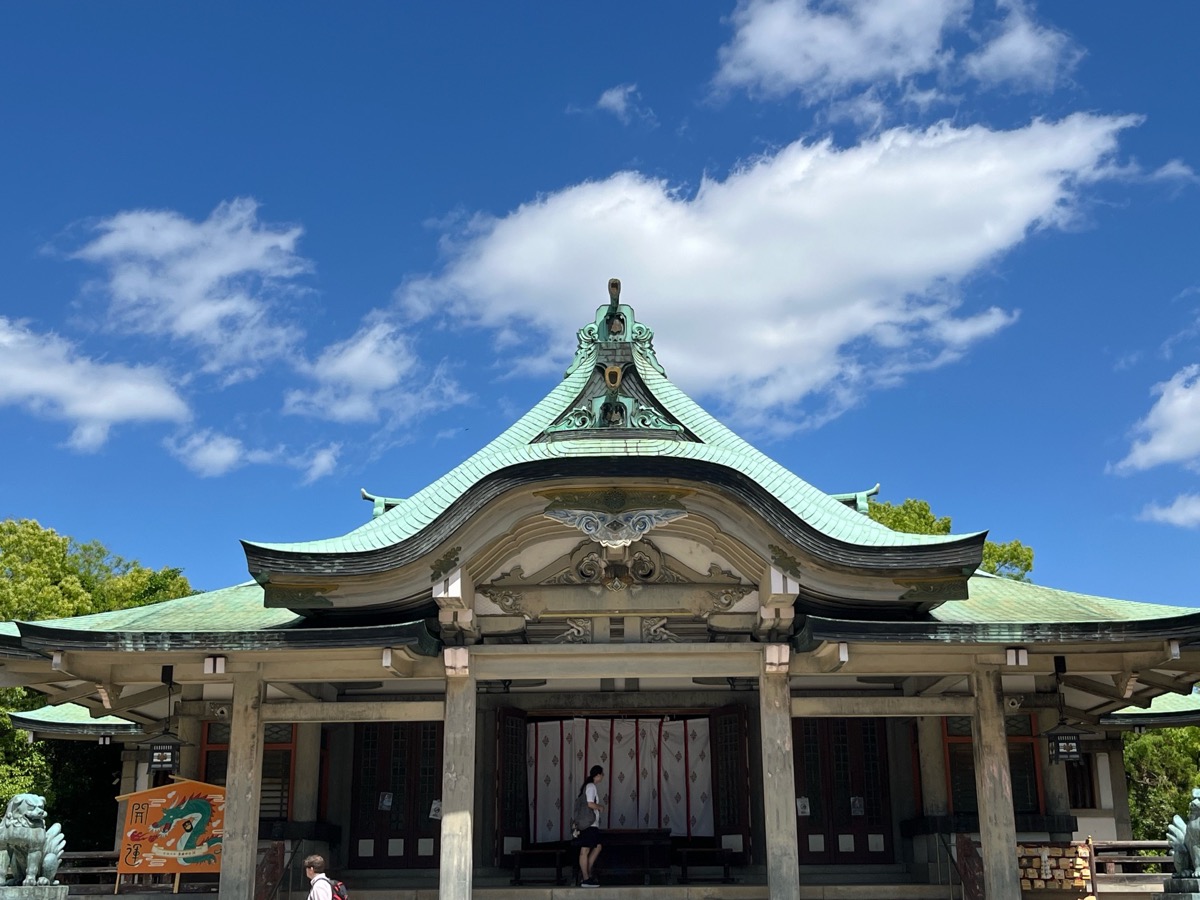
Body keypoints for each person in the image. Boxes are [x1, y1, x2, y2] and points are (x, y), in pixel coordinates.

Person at [577, 765, 605, 887]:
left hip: (590, 824)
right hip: (590, 823)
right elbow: (590, 803)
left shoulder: (588, 786)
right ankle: (586, 878)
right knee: (585, 850)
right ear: (597, 775)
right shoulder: (591, 786)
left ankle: (587, 874)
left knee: (597, 847)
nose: (602, 777)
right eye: (602, 774)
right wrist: (600, 807)